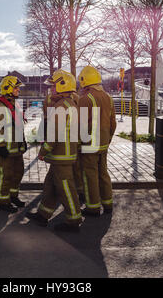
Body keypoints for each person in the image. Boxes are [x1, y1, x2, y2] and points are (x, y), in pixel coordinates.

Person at [26, 69, 82, 233]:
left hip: (61, 155)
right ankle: (43, 215)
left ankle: (74, 220)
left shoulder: (60, 107)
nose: (51, 89)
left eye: (53, 86)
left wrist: (43, 151)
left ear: (63, 86)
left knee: (65, 187)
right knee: (50, 184)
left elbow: (53, 135)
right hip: (64, 154)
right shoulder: (70, 103)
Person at [78, 65, 116, 216]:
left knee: (90, 176)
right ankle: (108, 204)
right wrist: (108, 138)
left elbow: (80, 126)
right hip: (104, 143)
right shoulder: (109, 97)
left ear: (84, 81)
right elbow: (113, 123)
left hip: (89, 144)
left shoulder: (85, 99)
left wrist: (79, 144)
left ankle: (93, 207)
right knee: (103, 173)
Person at [0, 75, 27, 213]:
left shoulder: (15, 103)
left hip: (17, 148)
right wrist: (0, 147)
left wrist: (23, 141)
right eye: (16, 87)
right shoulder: (0, 105)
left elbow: (18, 125)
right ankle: (4, 202)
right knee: (6, 176)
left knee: (18, 173)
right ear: (8, 88)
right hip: (6, 149)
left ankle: (13, 196)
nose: (18, 90)